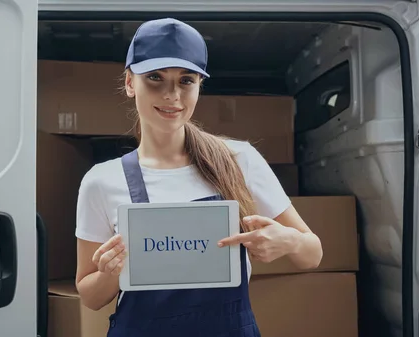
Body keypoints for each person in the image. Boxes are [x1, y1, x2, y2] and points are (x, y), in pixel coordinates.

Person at [74, 17, 323, 337]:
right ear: (129, 83)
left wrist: (288, 241)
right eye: (154, 78)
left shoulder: (239, 160)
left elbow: (312, 254)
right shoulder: (101, 181)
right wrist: (111, 272)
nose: (171, 95)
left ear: (199, 86)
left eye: (186, 80)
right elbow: (91, 297)